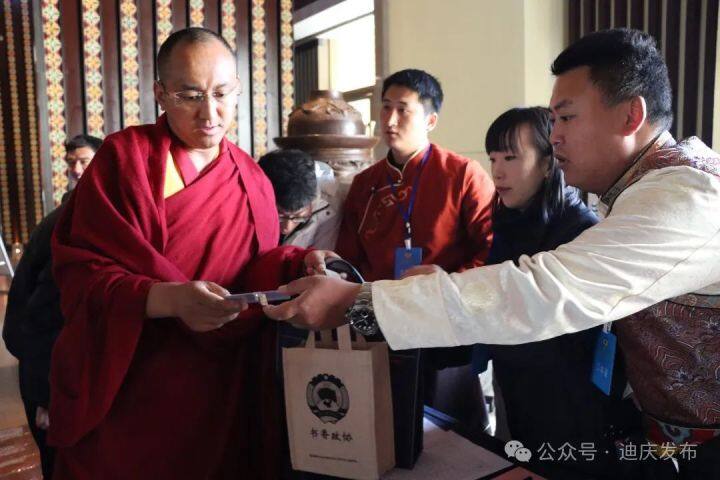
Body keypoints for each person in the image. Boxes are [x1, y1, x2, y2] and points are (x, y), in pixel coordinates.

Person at [265, 29, 720, 478]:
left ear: (630, 116)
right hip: (656, 438)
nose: (555, 137)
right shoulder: (639, 190)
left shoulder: (687, 195)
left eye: (566, 118)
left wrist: (359, 303)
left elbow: (542, 290)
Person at [46, 28, 323, 479]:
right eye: (190, 96)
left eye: (222, 94)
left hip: (221, 385)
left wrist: (296, 263)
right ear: (160, 94)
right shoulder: (126, 160)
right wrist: (167, 299)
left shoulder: (251, 177)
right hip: (136, 381)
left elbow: (255, 268)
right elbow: (81, 276)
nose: (209, 113)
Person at [480, 106, 630, 478]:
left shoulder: (580, 233)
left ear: (548, 164)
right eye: (493, 159)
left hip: (570, 405)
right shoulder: (510, 221)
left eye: (511, 158)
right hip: (519, 389)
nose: (497, 171)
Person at [2, 134, 101, 479]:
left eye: (84, 161)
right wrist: (47, 396)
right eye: (72, 162)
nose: (77, 169)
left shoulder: (80, 215)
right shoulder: (71, 223)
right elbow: (42, 315)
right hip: (46, 374)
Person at [336, 68, 494, 281]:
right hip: (375, 296)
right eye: (386, 107)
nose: (390, 120)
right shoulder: (364, 182)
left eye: (403, 110)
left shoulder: (463, 174)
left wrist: (448, 281)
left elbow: (491, 249)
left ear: (430, 121)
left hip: (442, 296)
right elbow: (347, 261)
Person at [258, 149, 341, 250]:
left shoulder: (328, 209)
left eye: (298, 217)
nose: (286, 228)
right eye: (279, 216)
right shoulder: (250, 196)